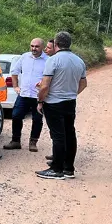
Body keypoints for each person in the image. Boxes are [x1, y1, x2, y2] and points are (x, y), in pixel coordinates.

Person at [35, 31, 87, 180]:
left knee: (58, 136)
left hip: (54, 103)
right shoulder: (79, 61)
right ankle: (68, 168)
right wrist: (71, 93)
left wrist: (40, 101)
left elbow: (45, 85)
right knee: (70, 134)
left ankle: (56, 169)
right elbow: (83, 83)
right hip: (70, 102)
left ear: (56, 44)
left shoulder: (53, 60)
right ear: (69, 44)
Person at [3, 38, 48, 152]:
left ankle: (33, 142)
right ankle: (15, 141)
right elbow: (14, 72)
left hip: (38, 96)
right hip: (23, 94)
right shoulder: (24, 57)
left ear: (42, 47)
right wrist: (15, 87)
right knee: (16, 116)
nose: (34, 48)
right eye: (32, 46)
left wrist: (44, 85)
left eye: (36, 46)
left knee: (37, 119)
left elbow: (51, 77)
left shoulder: (48, 60)